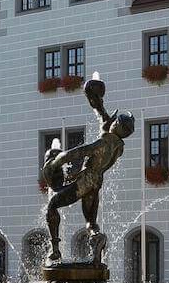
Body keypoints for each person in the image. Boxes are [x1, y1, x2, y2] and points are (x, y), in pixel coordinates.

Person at [41, 75, 134, 264]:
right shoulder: (118, 146)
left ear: (117, 126)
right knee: (90, 221)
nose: (112, 121)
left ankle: (55, 249)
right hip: (96, 182)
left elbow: (80, 152)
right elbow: (103, 118)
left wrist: (57, 160)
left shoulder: (103, 143)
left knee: (52, 206)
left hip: (85, 182)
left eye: (116, 122)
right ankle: (97, 240)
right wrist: (95, 100)